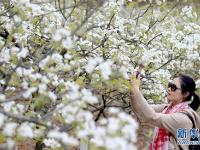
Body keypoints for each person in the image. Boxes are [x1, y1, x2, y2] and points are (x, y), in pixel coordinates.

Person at [130, 74, 200, 150]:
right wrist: (132, 88)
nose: (169, 89)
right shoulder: (168, 109)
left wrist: (135, 88)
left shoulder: (182, 118)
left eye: (173, 87)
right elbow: (140, 109)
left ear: (185, 94)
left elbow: (151, 117)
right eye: (170, 85)